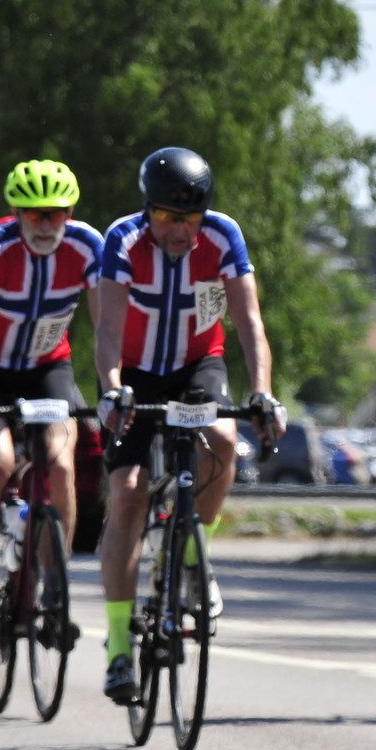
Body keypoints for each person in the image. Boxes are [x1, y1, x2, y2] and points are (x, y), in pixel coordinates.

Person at [91, 147, 286, 703]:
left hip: (198, 364)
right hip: (134, 372)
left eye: (190, 219)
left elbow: (249, 322)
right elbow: (107, 329)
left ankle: (195, 553)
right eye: (166, 217)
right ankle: (118, 645)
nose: (179, 231)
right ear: (147, 210)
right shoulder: (123, 239)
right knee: (127, 495)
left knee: (223, 441)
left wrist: (262, 392)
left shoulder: (223, 236)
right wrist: (112, 388)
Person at [0, 160, 105, 629]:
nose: (44, 225)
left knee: (61, 466)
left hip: (47, 368)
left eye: (54, 214)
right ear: (16, 213)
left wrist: (111, 387)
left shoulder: (88, 246)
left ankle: (56, 588)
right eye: (34, 214)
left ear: (69, 213)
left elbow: (107, 329)